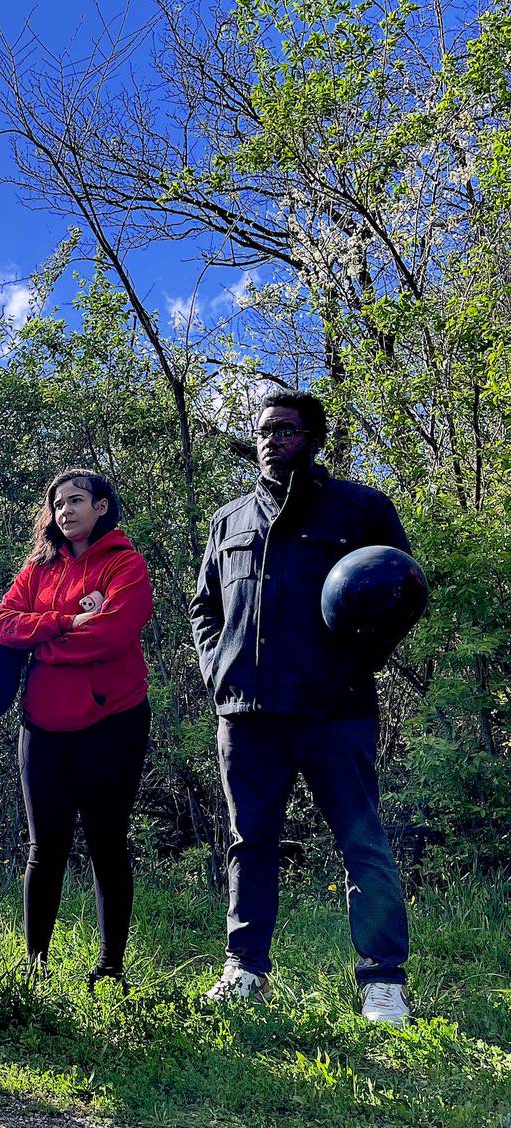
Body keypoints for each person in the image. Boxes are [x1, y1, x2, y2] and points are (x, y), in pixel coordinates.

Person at [190, 391, 413, 1025]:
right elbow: (204, 606)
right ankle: (245, 968)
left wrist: (349, 667)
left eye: (286, 430)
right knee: (248, 840)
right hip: (248, 714)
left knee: (361, 840)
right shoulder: (229, 521)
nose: (271, 439)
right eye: (263, 430)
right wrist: (218, 672)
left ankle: (383, 982)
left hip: (334, 711)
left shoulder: (361, 509)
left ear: (312, 438)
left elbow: (403, 594)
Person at [0, 469, 153, 987]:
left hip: (113, 722)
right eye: (58, 504)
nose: (65, 511)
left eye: (77, 501)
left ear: (102, 506)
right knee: (45, 847)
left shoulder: (126, 564)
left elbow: (112, 633)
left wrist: (39, 641)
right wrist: (63, 622)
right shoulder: (38, 567)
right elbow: (0, 624)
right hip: (42, 725)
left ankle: (110, 969)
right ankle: (34, 966)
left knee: (108, 843)